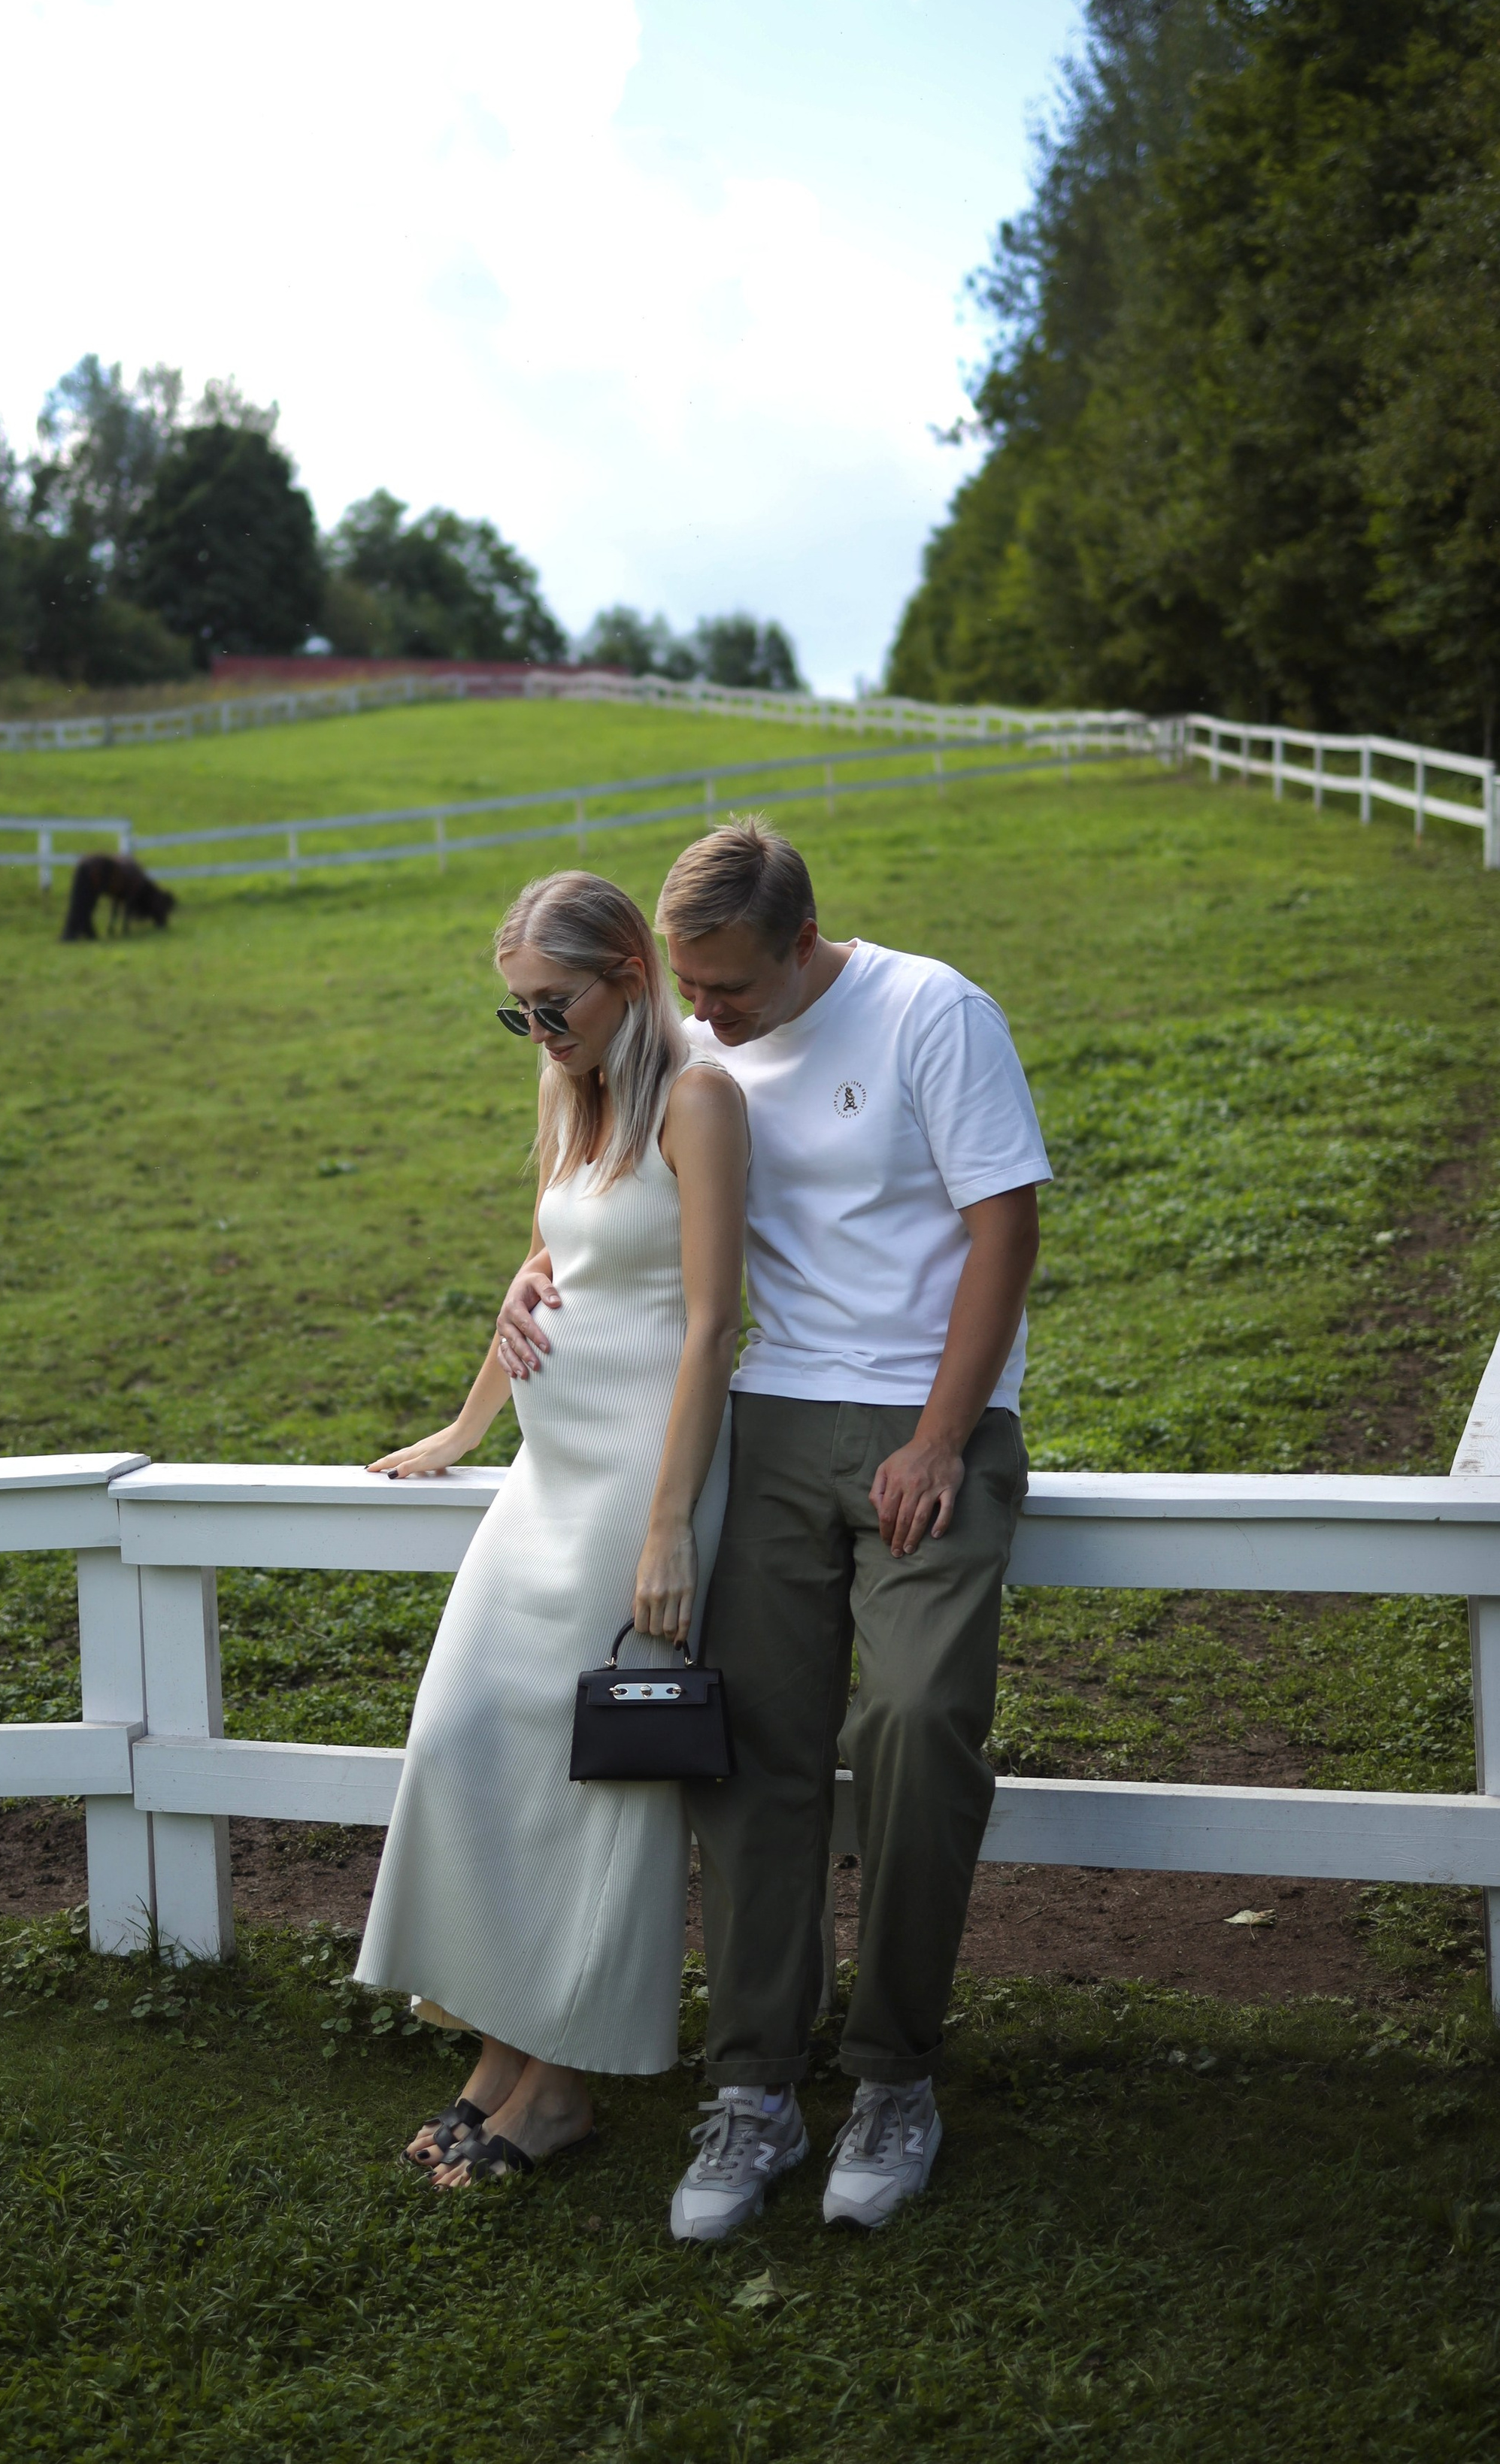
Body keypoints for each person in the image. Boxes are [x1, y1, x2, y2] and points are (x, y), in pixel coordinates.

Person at [495, 818, 1050, 2239]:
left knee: (917, 1724)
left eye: (729, 985)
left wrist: (938, 1437)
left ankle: (894, 2074)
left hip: (932, 1427)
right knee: (753, 1761)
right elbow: (631, 1201)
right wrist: (529, 1278)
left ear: (802, 942)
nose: (709, 1013)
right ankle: (752, 2088)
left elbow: (1007, 1229)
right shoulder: (697, 1054)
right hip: (766, 1428)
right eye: (688, 983)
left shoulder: (934, 1010)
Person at [356, 867, 749, 2187]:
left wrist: (670, 1526)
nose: (538, 1032)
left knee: (594, 1773)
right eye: (518, 1013)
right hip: (546, 1469)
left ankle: (560, 2080)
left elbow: (710, 1320)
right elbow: (545, 1272)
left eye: (553, 1005)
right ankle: (499, 2044)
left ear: (630, 970)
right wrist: (467, 1425)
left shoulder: (699, 1097)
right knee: (467, 1730)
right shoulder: (564, 1088)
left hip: (642, 1478)